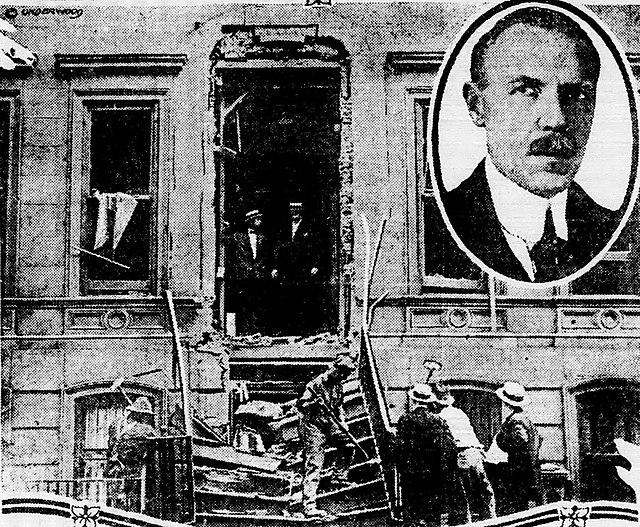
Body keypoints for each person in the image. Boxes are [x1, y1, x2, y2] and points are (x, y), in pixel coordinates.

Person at [443, 6, 621, 282]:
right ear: (477, 106)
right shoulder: (435, 229)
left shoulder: (614, 231)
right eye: (526, 91)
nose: (557, 119)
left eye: (576, 94)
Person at [395, 384, 469, 527]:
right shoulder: (438, 421)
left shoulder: (405, 420)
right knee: (432, 518)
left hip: (410, 478)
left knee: (412, 518)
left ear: (413, 401)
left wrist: (404, 469)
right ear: (429, 401)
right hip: (433, 478)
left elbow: (399, 450)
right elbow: (449, 450)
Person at [296, 353, 356, 519]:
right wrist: (314, 403)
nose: (343, 377)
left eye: (346, 375)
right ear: (335, 368)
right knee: (315, 464)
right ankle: (309, 506)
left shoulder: (338, 385)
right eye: (342, 373)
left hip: (329, 424)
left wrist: (343, 423)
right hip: (312, 426)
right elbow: (301, 406)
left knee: (349, 446)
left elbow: (338, 407)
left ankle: (339, 476)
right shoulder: (316, 384)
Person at [431, 382, 496, 521]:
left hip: (461, 457)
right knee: (485, 493)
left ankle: (465, 523)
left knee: (461, 497)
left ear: (436, 403)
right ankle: (492, 520)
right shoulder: (460, 413)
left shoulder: (440, 418)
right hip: (476, 454)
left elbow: (445, 445)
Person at [226, 209, 278, 334]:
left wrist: (269, 268)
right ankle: (244, 331)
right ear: (250, 221)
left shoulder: (263, 237)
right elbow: (227, 247)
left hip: (259, 275)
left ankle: (257, 330)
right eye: (257, 219)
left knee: (258, 303)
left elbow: (270, 255)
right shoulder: (237, 237)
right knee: (244, 304)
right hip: (243, 276)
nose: (260, 221)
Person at [495, 382, 542, 514]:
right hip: (528, 468)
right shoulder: (525, 419)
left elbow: (520, 439)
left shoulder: (516, 419)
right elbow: (539, 439)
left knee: (520, 508)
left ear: (506, 403)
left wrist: (501, 441)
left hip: (520, 470)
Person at [280, 201, 326, 335]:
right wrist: (277, 267)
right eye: (292, 212)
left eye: (297, 212)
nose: (294, 215)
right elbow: (279, 248)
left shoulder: (310, 227)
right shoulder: (285, 228)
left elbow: (319, 248)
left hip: (305, 270)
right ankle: (290, 329)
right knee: (289, 298)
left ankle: (305, 330)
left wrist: (316, 265)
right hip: (288, 270)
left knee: (305, 299)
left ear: (301, 213)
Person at [105, 397, 158, 512]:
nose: (146, 418)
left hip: (114, 469)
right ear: (140, 414)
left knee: (115, 505)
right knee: (132, 505)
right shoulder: (145, 429)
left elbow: (110, 449)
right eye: (145, 415)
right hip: (131, 471)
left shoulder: (116, 424)